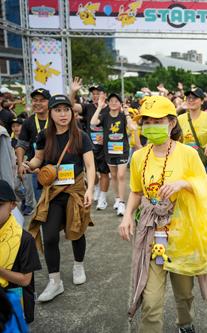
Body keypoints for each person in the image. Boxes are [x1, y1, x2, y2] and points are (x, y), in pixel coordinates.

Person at [118, 96, 207, 333]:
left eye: (158, 121)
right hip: (151, 233)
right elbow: (136, 191)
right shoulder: (138, 157)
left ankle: (185, 323)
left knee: (184, 293)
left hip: (183, 234)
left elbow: (206, 187)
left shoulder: (187, 153)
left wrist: (182, 184)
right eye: (147, 121)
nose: (152, 126)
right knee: (151, 301)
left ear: (171, 123)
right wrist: (127, 216)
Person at [22, 94, 95, 302]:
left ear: (72, 112)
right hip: (53, 192)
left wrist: (89, 190)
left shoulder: (81, 136)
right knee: (50, 236)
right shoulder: (44, 136)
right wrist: (29, 165)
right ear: (51, 113)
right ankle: (55, 282)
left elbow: (89, 165)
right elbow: (38, 158)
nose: (63, 114)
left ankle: (78, 265)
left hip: (75, 191)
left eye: (66, 110)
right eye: (58, 110)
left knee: (76, 231)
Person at [0, 180, 41, 324]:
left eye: (0, 205)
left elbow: (25, 279)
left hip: (16, 300)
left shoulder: (24, 239)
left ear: (13, 205)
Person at [91, 92, 135, 216]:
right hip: (109, 151)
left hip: (123, 151)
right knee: (114, 176)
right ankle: (117, 198)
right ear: (108, 103)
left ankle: (122, 202)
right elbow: (93, 122)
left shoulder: (122, 116)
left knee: (121, 175)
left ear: (120, 104)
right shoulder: (104, 116)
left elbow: (132, 128)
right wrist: (99, 106)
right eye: (111, 101)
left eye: (116, 101)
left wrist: (126, 112)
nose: (113, 103)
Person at [70, 79, 111, 211]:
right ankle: (97, 187)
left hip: (105, 147)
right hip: (90, 146)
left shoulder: (111, 108)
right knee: (91, 172)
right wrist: (73, 92)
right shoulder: (88, 107)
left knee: (104, 173)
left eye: (98, 93)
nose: (95, 96)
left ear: (104, 94)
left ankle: (103, 198)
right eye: (93, 93)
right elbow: (71, 106)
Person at [16, 88, 51, 202]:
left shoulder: (56, 119)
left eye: (42, 100)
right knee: (41, 202)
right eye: (35, 100)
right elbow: (21, 145)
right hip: (36, 169)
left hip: (57, 167)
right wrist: (21, 164)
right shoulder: (28, 122)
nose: (38, 103)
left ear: (49, 102)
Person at [177, 88, 207, 166]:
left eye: (195, 98)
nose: (191, 100)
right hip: (186, 162)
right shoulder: (180, 119)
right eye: (188, 98)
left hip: (203, 162)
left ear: (202, 101)